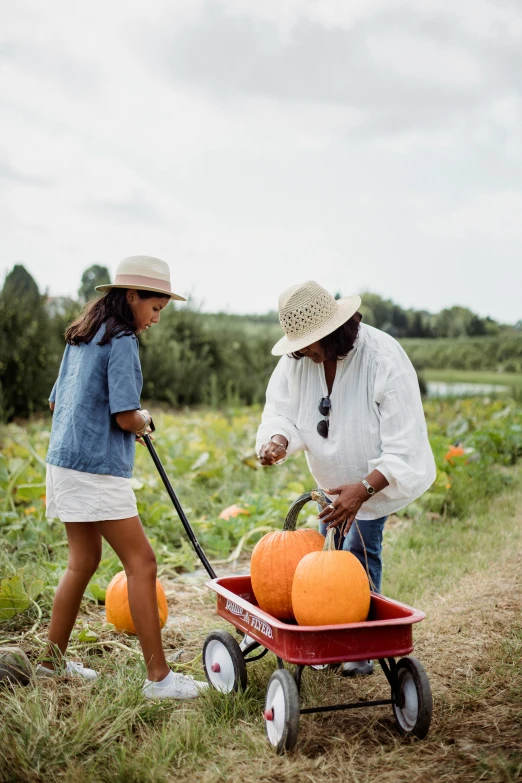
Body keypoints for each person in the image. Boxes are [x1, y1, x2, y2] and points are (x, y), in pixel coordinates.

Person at [40, 255, 208, 699]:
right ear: (132, 297)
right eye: (155, 308)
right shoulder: (123, 340)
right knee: (143, 563)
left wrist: (111, 421)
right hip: (95, 470)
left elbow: (59, 404)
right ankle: (159, 679)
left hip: (63, 462)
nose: (155, 319)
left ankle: (52, 663)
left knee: (83, 561)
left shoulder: (81, 335)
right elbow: (124, 415)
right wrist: (145, 419)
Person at [256, 280, 436, 675]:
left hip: (373, 482)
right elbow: (282, 410)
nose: (304, 352)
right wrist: (278, 439)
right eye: (299, 345)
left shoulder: (383, 357)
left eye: (310, 343)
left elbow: (403, 446)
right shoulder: (299, 359)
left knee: (359, 551)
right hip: (330, 482)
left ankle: (359, 646)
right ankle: (328, 633)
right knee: (328, 558)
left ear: (335, 331)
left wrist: (365, 488)